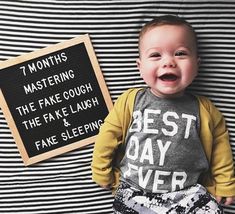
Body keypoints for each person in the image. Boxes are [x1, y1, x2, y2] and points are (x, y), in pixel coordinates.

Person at [91, 15, 235, 213]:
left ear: (197, 64)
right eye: (155, 55)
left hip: (189, 194)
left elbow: (220, 148)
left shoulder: (205, 109)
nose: (168, 62)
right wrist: (101, 171)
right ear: (140, 67)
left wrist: (226, 183)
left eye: (180, 53)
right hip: (135, 190)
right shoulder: (130, 101)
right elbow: (107, 136)